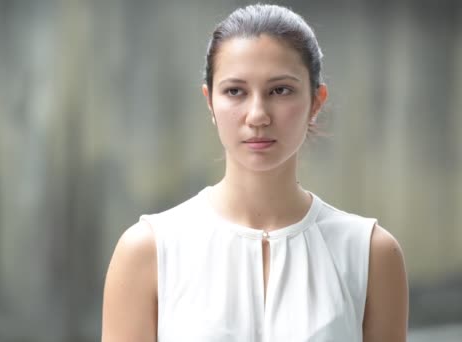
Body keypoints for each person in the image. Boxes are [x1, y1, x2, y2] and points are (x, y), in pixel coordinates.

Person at [102, 3, 408, 341]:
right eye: (235, 91)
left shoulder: (370, 253)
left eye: (280, 90)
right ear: (210, 101)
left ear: (316, 101)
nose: (258, 115)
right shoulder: (149, 250)